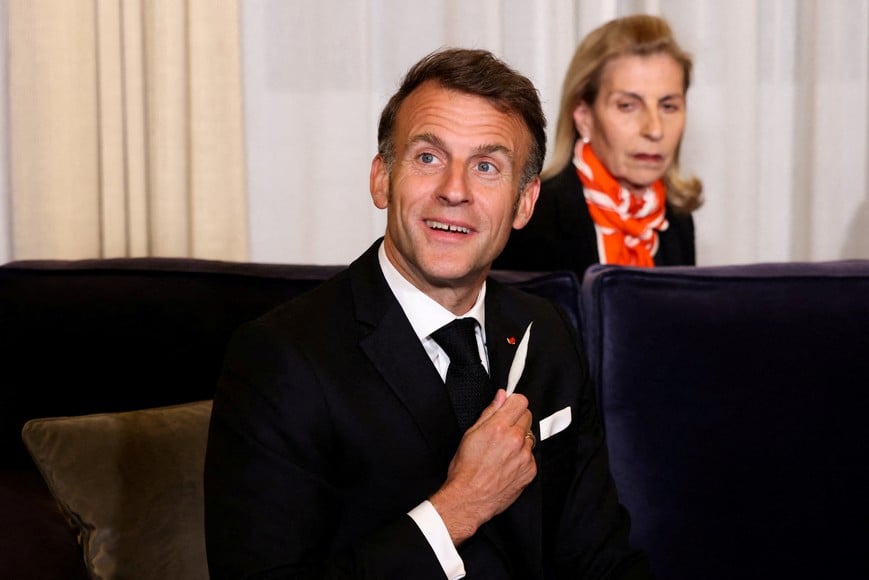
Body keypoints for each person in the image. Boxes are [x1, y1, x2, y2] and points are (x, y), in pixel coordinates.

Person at [204, 47, 653, 579]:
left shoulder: (547, 332)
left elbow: (601, 559)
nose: (454, 191)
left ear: (525, 202)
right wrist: (456, 510)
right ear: (381, 180)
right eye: (428, 158)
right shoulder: (280, 358)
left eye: (486, 167)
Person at [494, 14, 703, 281]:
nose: (654, 129)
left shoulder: (676, 221)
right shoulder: (535, 217)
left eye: (668, 106)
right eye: (627, 105)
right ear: (584, 117)